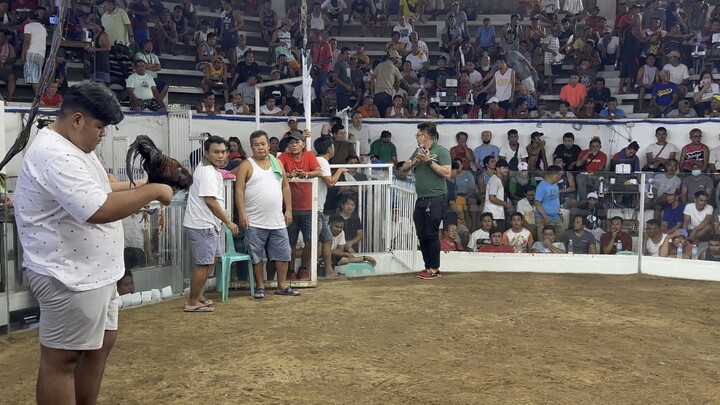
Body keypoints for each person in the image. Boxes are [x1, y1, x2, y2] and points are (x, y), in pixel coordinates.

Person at [15, 81, 173, 404]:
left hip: (96, 273)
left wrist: (144, 183)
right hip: (67, 275)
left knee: (101, 345)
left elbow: (100, 190)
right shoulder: (54, 154)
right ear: (77, 120)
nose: (103, 135)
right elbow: (97, 210)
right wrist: (154, 191)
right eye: (100, 127)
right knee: (62, 361)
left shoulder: (77, 148)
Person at [236, 130, 300, 298]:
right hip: (254, 220)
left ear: (269, 145)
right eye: (256, 145)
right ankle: (260, 286)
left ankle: (282, 285)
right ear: (251, 147)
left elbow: (285, 186)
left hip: (277, 219)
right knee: (256, 256)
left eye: (263, 144)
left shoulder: (277, 162)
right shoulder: (246, 165)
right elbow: (239, 190)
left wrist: (289, 209)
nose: (260, 148)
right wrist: (242, 213)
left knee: (283, 254)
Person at [183, 135, 238, 312]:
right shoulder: (207, 172)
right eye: (216, 152)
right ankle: (192, 302)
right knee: (203, 263)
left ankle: (197, 295)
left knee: (212, 259)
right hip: (202, 224)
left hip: (207, 223)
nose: (221, 155)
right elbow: (210, 201)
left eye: (223, 152)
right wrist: (228, 222)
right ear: (206, 153)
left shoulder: (209, 168)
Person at [399, 122, 451, 280]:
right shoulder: (418, 151)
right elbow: (403, 169)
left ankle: (434, 269)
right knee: (422, 234)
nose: (416, 137)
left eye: (418, 135)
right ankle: (428, 267)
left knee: (431, 233)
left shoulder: (441, 151)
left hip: (436, 198)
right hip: (421, 199)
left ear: (426, 136)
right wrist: (414, 162)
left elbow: (447, 173)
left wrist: (429, 161)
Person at [278, 132, 323, 280]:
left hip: (308, 206)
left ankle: (304, 268)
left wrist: (306, 174)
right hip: (290, 207)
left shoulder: (309, 155)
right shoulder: (284, 157)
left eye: (297, 142)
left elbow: (319, 171)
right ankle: (290, 271)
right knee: (289, 242)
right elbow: (276, 171)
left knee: (310, 241)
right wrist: (289, 174)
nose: (294, 145)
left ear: (303, 144)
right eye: (291, 143)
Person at [535, 165, 564, 241]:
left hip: (556, 216)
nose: (560, 177)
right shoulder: (541, 187)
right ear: (553, 175)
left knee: (561, 237)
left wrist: (559, 212)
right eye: (559, 175)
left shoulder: (555, 184)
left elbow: (555, 200)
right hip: (544, 218)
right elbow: (537, 203)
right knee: (545, 242)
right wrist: (545, 217)